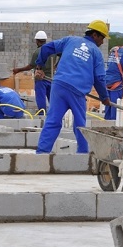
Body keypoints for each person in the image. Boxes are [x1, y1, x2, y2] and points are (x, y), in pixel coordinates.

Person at [34, 20, 111, 154]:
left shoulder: (70, 40)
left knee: (52, 121)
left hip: (58, 86)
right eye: (102, 38)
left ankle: (41, 153)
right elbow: (99, 78)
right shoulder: (96, 53)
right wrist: (104, 97)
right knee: (80, 125)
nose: (103, 42)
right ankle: (82, 155)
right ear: (94, 35)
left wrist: (39, 66)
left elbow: (46, 48)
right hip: (77, 91)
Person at [12, 30, 56, 111]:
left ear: (37, 41)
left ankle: (42, 113)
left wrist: (18, 70)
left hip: (40, 79)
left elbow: (31, 66)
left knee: (41, 98)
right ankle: (53, 113)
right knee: (52, 99)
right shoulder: (52, 51)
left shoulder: (38, 51)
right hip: (51, 78)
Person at [103, 38, 123, 120]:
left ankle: (107, 121)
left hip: (107, 79)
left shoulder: (115, 49)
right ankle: (114, 122)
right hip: (116, 80)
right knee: (116, 103)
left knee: (108, 102)